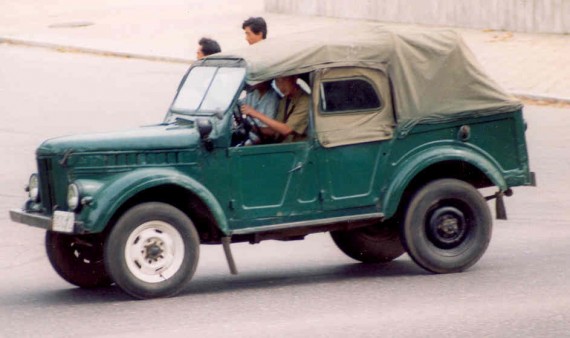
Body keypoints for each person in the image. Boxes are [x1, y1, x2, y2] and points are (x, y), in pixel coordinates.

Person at [241, 75, 310, 143]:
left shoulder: (305, 101)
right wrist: (252, 128)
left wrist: (255, 114)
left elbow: (286, 130)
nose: (281, 87)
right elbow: (275, 130)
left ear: (294, 79)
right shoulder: (285, 100)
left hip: (297, 148)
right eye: (277, 82)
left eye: (284, 80)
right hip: (283, 145)